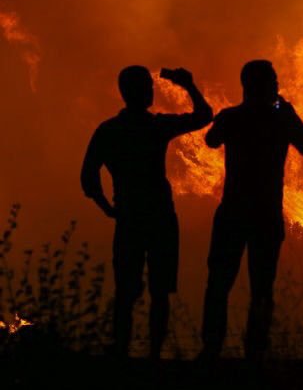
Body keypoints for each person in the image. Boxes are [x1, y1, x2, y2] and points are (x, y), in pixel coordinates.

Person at [80, 66, 213, 359]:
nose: (151, 92)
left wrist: (108, 208)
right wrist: (189, 86)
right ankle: (154, 353)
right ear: (138, 92)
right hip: (160, 217)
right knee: (160, 291)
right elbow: (204, 116)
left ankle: (121, 351)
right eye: (147, 88)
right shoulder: (156, 126)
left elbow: (88, 178)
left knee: (126, 291)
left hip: (129, 217)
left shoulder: (109, 131)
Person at [200, 59, 303, 363]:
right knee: (262, 288)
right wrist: (287, 112)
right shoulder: (281, 120)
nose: (278, 86)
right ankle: (255, 352)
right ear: (266, 86)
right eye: (274, 82)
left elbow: (211, 140)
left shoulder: (231, 117)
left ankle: (211, 349)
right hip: (265, 215)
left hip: (233, 212)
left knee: (218, 285)